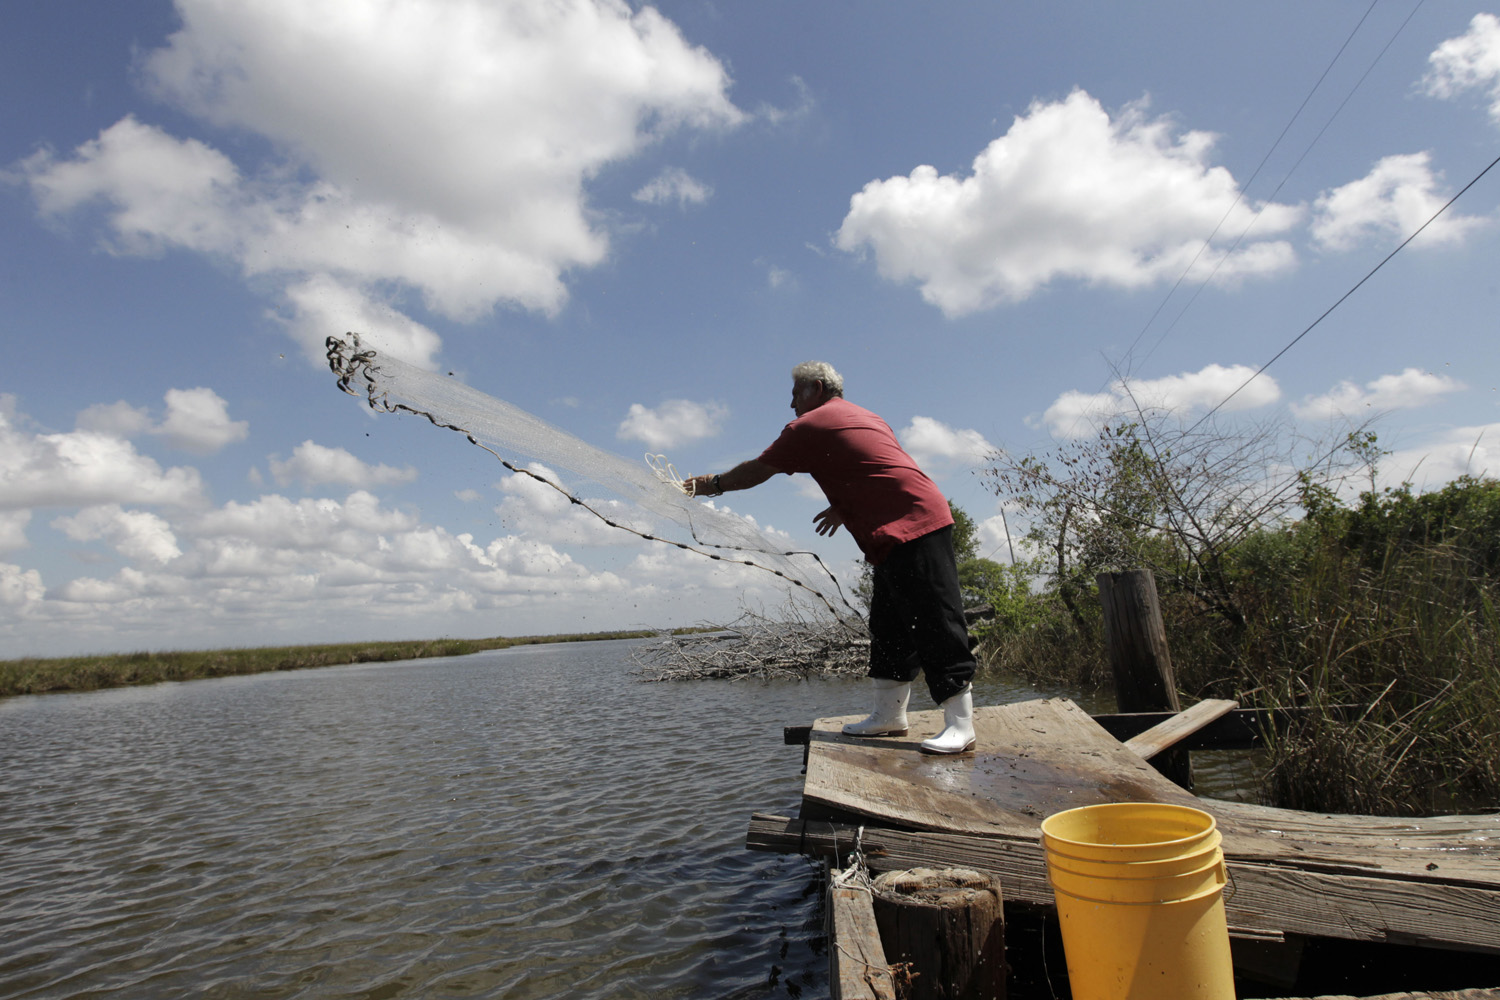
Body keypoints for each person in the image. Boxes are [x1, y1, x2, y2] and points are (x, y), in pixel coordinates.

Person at [683, 361, 977, 754]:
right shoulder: (865, 416)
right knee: (889, 627)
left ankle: (961, 725)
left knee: (936, 622)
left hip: (916, 522)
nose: (790, 405)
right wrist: (844, 506)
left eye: (794, 395)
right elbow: (872, 464)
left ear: (816, 388)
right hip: (896, 531)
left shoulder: (808, 426)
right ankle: (889, 716)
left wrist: (708, 485)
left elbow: (757, 471)